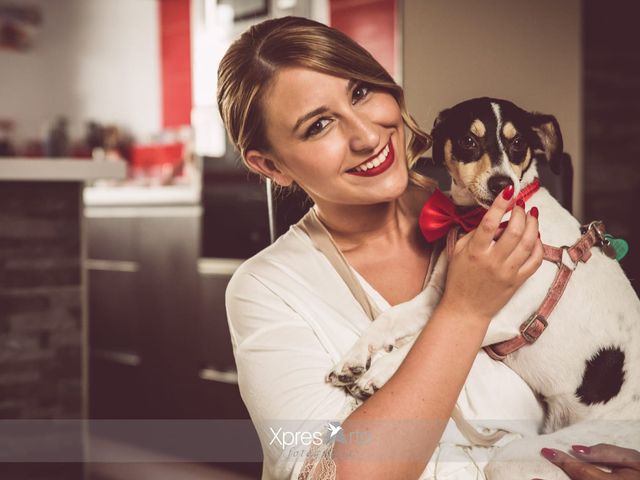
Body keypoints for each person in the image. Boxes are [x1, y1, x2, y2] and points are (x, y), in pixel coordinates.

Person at [218, 16, 638, 480]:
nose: (367, 135)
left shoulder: (522, 234)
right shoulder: (265, 291)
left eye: (360, 93)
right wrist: (463, 311)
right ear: (271, 165)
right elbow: (324, 473)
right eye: (319, 125)